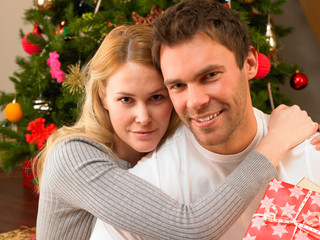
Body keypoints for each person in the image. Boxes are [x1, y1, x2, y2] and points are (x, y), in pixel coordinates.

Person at [35, 24, 319, 240]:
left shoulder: (164, 145)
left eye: (157, 97)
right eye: (126, 99)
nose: (143, 118)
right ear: (102, 97)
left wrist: (297, 138)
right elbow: (189, 229)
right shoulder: (74, 157)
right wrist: (277, 140)